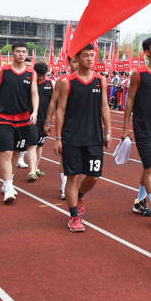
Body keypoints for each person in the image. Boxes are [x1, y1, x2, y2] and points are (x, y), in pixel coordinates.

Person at [52, 43, 112, 232]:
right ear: (76, 59)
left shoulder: (100, 80)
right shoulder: (66, 82)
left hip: (94, 136)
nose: (89, 59)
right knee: (73, 176)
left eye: (91, 55)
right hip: (72, 137)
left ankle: (79, 195)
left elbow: (104, 106)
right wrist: (58, 137)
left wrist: (108, 130)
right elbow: (60, 110)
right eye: (85, 55)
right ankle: (74, 216)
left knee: (94, 175)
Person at [0, 42, 39, 204]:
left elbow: (34, 94)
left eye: (23, 52)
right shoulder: (3, 71)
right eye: (18, 52)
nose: (21, 54)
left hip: (23, 118)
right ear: (12, 53)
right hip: (4, 117)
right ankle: (7, 186)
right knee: (6, 152)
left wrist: (35, 111)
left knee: (16, 152)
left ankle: (10, 180)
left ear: (27, 54)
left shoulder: (31, 73)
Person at [122, 36, 151, 225]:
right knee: (150, 168)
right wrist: (125, 127)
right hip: (143, 128)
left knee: (149, 168)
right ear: (147, 52)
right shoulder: (138, 74)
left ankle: (139, 202)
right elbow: (130, 100)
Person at [26, 61, 55, 182]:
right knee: (32, 144)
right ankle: (31, 170)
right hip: (31, 119)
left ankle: (36, 168)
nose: (41, 77)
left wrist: (50, 120)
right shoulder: (29, 83)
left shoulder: (51, 83)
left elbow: (54, 102)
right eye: (39, 75)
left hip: (45, 120)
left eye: (44, 75)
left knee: (39, 144)